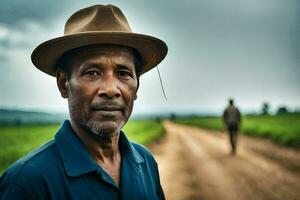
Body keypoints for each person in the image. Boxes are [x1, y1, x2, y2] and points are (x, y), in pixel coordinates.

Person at [0, 4, 167, 200]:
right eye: (92, 73)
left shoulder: (145, 162)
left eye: (123, 73)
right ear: (64, 84)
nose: (111, 89)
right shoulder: (27, 182)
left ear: (136, 87)